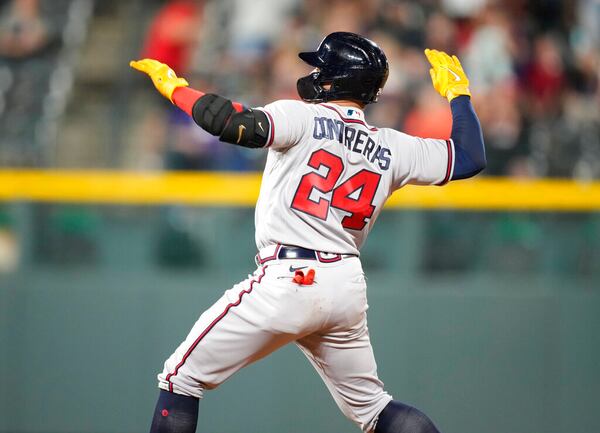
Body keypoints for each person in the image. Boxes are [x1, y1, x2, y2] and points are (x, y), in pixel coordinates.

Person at [131, 31, 486, 433]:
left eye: (321, 67)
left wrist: (178, 91)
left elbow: (233, 124)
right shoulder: (394, 146)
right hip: (346, 286)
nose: (315, 73)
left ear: (333, 79)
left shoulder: (300, 115)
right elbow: (470, 156)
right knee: (374, 410)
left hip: (289, 276)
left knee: (181, 378)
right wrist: (458, 95)